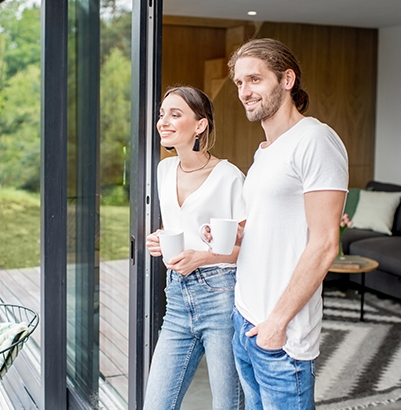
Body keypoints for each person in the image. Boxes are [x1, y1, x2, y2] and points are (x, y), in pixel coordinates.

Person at [227, 38, 349, 409]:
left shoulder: (315, 140)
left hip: (282, 336)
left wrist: (277, 323)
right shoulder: (263, 151)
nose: (245, 92)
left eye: (255, 80)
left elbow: (325, 242)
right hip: (246, 320)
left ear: (287, 79)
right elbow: (269, 228)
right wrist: (236, 234)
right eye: (238, 83)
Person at [144, 86, 245, 410]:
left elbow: (250, 247)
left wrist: (203, 256)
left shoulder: (228, 177)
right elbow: (181, 227)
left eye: (175, 114)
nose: (164, 121)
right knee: (157, 404)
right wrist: (157, 239)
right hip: (176, 297)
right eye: (162, 114)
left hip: (220, 296)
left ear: (200, 125)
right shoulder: (164, 170)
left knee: (226, 404)